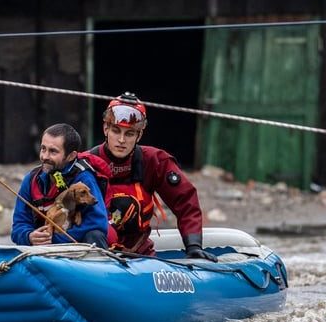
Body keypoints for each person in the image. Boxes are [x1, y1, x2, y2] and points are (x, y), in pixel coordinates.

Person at [87, 92, 216, 260]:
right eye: (116, 131)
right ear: (106, 129)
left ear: (139, 135)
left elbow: (186, 202)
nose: (121, 140)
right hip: (96, 253)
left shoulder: (155, 161)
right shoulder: (88, 163)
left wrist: (193, 245)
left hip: (141, 255)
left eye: (129, 134)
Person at [11, 123, 110, 247]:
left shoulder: (84, 178)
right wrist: (29, 236)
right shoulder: (31, 180)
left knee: (95, 235)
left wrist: (53, 240)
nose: (45, 157)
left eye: (53, 151)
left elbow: (97, 223)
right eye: (43, 149)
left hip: (75, 247)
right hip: (41, 248)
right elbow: (18, 226)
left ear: (71, 156)